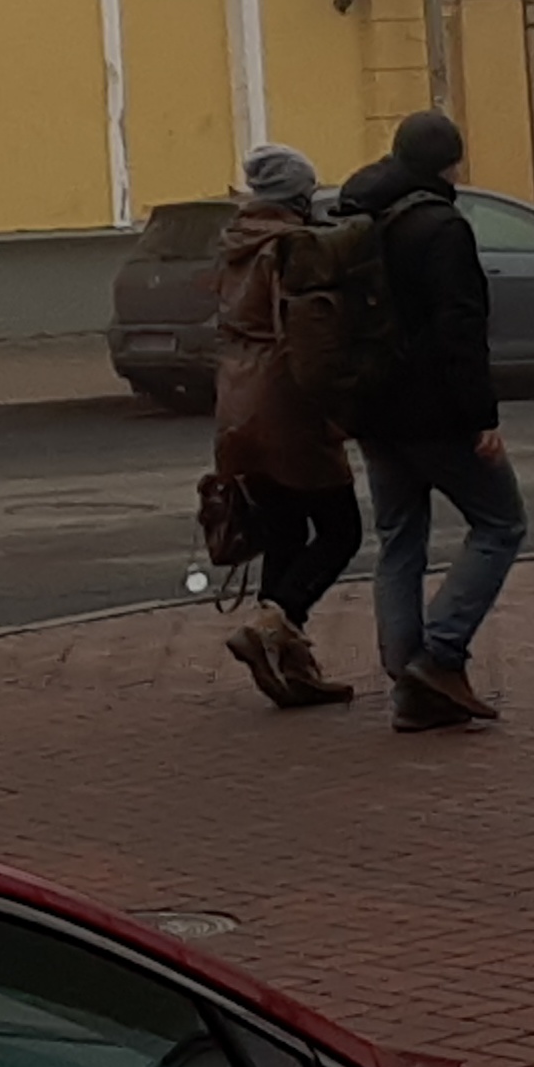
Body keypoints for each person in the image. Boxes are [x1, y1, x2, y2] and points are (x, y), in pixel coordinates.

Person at [340, 105, 525, 735]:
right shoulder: (441, 227)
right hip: (434, 411)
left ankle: (408, 686)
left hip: (371, 407)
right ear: (450, 161)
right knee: (501, 523)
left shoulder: (356, 214)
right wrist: (482, 416)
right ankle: (439, 654)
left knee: (399, 538)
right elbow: (460, 328)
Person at [203, 146, 360, 708]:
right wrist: (340, 405)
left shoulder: (233, 244)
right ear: (297, 195)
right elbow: (305, 338)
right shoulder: (289, 249)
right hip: (285, 402)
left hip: (238, 401)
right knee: (343, 531)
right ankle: (274, 623)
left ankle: (293, 667)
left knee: (285, 532)